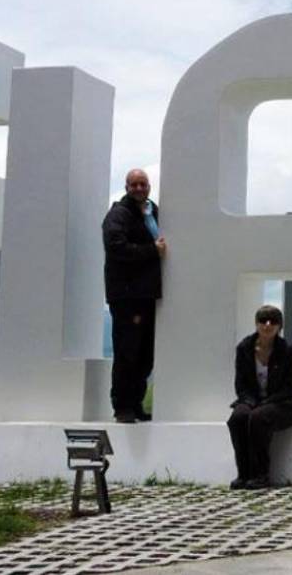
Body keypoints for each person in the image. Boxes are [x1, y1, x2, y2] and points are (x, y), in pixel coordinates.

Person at [102, 168, 166, 424]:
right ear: (126, 187)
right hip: (127, 296)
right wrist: (151, 250)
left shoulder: (153, 210)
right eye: (134, 184)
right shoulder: (118, 215)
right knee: (127, 352)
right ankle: (122, 407)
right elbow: (116, 247)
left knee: (145, 354)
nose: (139, 188)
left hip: (147, 295)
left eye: (143, 184)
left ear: (149, 186)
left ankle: (136, 403)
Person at [227, 305, 292, 489]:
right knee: (238, 418)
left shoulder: (289, 350)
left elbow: (289, 387)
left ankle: (260, 474)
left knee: (259, 418)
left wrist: (265, 403)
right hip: (252, 400)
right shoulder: (244, 348)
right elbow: (241, 385)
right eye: (263, 320)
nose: (267, 325)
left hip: (284, 404)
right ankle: (243, 474)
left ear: (280, 326)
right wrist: (251, 402)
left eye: (273, 321)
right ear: (256, 324)